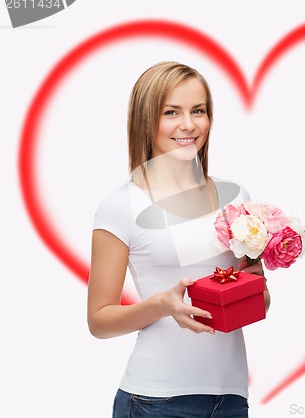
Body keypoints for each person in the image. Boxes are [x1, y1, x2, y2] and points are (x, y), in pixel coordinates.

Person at [87, 60, 270, 418]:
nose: (188, 125)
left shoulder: (237, 199)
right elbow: (98, 321)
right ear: (146, 120)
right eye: (171, 112)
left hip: (231, 400)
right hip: (155, 401)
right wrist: (161, 306)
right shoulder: (121, 206)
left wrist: (261, 272)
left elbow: (260, 304)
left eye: (198, 111)